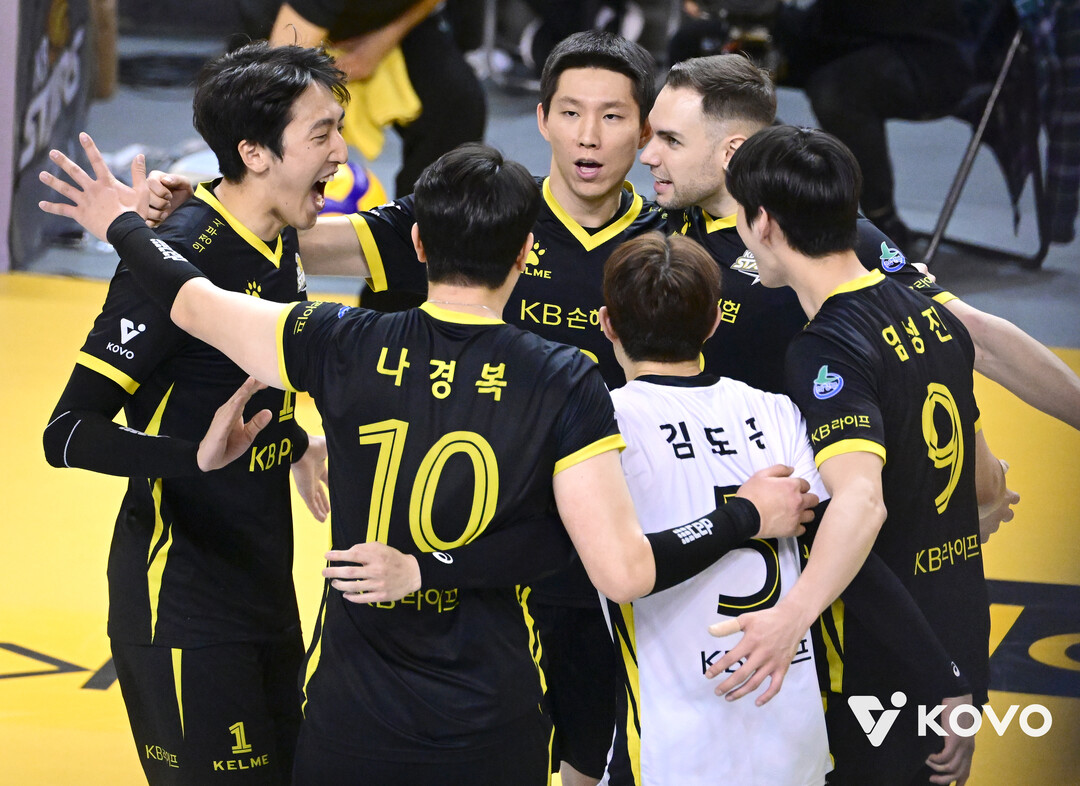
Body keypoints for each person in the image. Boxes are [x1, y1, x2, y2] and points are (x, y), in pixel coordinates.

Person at [39, 137, 818, 784]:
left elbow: (190, 298)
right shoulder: (565, 376)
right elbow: (622, 573)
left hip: (352, 713)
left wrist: (124, 224)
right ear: (526, 252)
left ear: (416, 247)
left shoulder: (336, 339)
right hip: (489, 715)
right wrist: (744, 514)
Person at [38, 43, 342, 784]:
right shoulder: (174, 259)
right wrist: (193, 459)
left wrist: (291, 438)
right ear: (255, 153)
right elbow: (66, 433)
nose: (341, 153)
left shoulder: (277, 236)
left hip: (265, 587)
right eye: (322, 133)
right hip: (181, 606)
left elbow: (230, 383)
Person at [707, 125, 1015, 785]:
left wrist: (790, 617)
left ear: (763, 223)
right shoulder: (932, 316)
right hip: (953, 640)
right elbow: (981, 483)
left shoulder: (825, 348)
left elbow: (862, 501)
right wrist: (955, 676)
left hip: (882, 657)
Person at [639, 53, 1080, 430]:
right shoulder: (652, 221)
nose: (647, 156)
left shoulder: (821, 230)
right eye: (651, 134)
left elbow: (977, 338)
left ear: (732, 151)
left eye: (671, 141)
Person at [598, 232, 832, 785]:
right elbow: (825, 526)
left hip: (672, 746)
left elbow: (614, 571)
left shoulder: (603, 424)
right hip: (791, 733)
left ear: (606, 324)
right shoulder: (776, 412)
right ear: (714, 322)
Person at [771, 0, 975, 245]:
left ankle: (882, 222)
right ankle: (776, 201)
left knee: (838, 92)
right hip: (837, 30)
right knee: (737, 65)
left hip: (923, 45)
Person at [270, 0, 486, 198]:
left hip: (379, 24)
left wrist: (377, 46)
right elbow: (281, 73)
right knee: (280, 121)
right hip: (282, 31)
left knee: (458, 106)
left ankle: (420, 221)